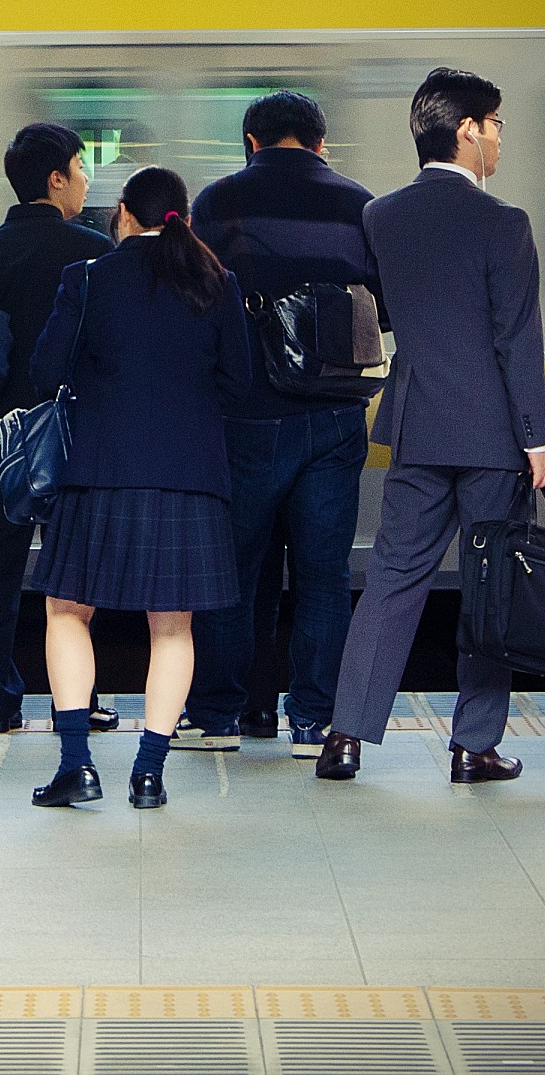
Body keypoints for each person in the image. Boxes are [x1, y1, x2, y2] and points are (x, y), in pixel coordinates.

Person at [318, 68, 545, 785]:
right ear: (466, 132)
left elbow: (386, 313)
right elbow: (517, 340)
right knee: (490, 588)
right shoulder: (503, 223)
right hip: (491, 438)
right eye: (496, 126)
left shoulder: (381, 216)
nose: (500, 141)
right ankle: (472, 745)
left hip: (418, 427)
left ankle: (346, 736)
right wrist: (536, 438)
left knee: (392, 580)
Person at [26, 166, 248, 810]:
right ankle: (149, 773)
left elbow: (46, 371)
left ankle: (77, 766)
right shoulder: (218, 285)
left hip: (98, 472)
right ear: (182, 217)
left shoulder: (90, 278)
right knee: (172, 629)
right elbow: (240, 386)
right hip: (189, 479)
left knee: (67, 612)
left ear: (123, 213)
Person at [181, 90, 378, 759]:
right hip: (333, 415)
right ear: (321, 144)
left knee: (233, 570)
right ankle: (314, 721)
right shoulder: (360, 205)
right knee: (324, 574)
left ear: (250, 141)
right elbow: (382, 310)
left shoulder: (217, 202)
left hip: (247, 417)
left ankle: (217, 715)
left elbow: (194, 305)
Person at [0, 123, 111, 734]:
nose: (87, 182)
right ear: (55, 180)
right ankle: (78, 699)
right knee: (71, 576)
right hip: (74, 435)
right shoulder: (92, 251)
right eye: (81, 169)